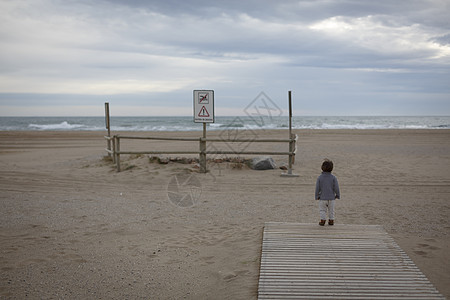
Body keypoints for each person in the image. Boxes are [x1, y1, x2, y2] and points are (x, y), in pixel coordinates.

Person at [315, 159, 340, 226]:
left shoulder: (320, 178)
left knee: (322, 210)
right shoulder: (333, 178)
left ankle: (323, 220)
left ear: (322, 168)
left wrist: (316, 196)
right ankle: (331, 220)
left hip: (322, 197)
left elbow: (317, 188)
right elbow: (336, 187)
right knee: (331, 210)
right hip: (331, 198)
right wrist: (337, 195)